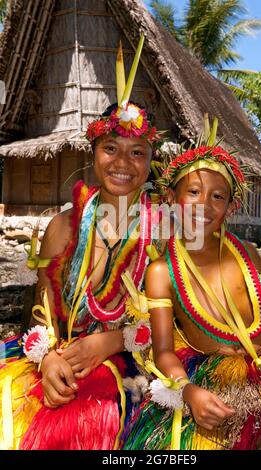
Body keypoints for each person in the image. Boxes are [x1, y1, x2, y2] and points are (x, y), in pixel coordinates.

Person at [0, 38, 162, 450]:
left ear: (149, 162)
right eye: (111, 148)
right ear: (94, 153)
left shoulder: (165, 231)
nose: (123, 163)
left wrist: (112, 341)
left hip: (136, 368)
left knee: (103, 423)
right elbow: (39, 319)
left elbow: (176, 324)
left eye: (136, 152)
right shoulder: (63, 227)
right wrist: (48, 358)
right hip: (62, 359)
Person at [123, 122, 261, 450]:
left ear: (231, 207)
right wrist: (189, 391)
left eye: (217, 196)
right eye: (193, 192)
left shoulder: (247, 253)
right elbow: (162, 351)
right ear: (171, 198)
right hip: (215, 382)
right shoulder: (162, 270)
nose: (204, 204)